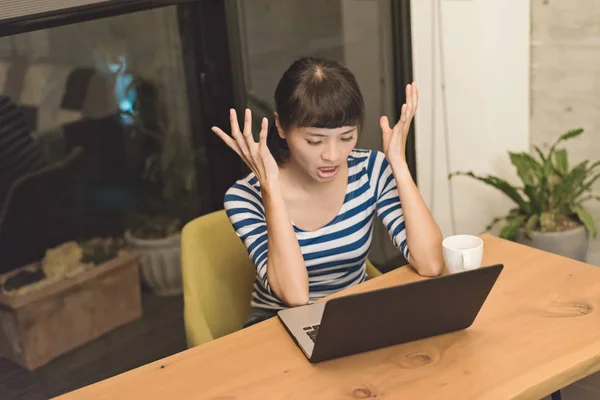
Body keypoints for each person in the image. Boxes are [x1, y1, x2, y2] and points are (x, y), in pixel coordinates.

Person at [212, 57, 444, 327]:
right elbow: (295, 296)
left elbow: (431, 264)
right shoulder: (245, 196)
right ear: (280, 127)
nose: (333, 155)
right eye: (314, 141)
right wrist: (271, 189)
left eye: (347, 137)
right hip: (275, 324)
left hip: (352, 315)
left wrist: (399, 165)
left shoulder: (370, 170)